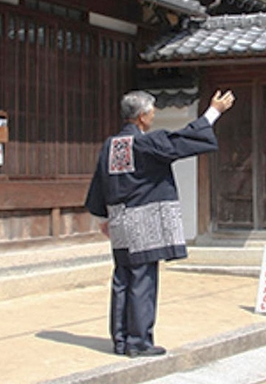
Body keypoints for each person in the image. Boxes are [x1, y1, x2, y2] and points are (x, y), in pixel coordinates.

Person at [84, 89, 235, 358]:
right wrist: (214, 113)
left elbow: (99, 183)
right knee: (143, 280)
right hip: (144, 222)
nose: (154, 115)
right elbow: (180, 140)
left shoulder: (111, 145)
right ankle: (139, 342)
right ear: (142, 117)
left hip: (119, 221)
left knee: (122, 278)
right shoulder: (144, 144)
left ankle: (121, 339)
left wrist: (102, 218)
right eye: (152, 111)